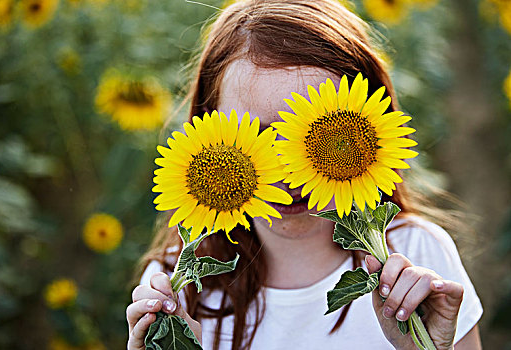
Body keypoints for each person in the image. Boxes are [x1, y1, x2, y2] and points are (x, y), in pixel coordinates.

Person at [126, 0, 483, 349]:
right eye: (257, 139)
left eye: (318, 137)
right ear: (206, 133)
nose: (290, 174)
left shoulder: (418, 262)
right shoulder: (177, 291)